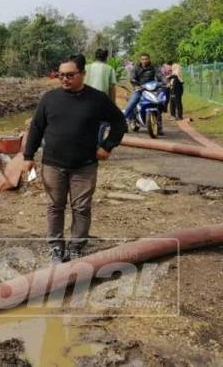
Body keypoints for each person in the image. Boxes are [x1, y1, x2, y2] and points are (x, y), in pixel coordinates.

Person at [23, 54, 125, 263]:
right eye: (61, 75)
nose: (64, 79)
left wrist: (107, 146)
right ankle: (56, 247)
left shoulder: (97, 99)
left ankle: (77, 247)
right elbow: (36, 128)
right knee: (55, 206)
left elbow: (119, 123)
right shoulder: (50, 99)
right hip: (53, 164)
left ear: (82, 74)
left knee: (81, 208)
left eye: (70, 75)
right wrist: (28, 156)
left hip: (84, 166)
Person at [122, 53, 165, 135]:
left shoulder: (154, 67)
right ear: (140, 60)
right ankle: (123, 121)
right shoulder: (136, 68)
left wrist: (166, 82)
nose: (144, 60)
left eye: (146, 59)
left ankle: (159, 126)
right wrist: (136, 85)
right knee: (133, 102)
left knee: (159, 103)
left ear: (149, 59)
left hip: (151, 88)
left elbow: (160, 76)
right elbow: (132, 78)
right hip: (139, 89)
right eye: (143, 59)